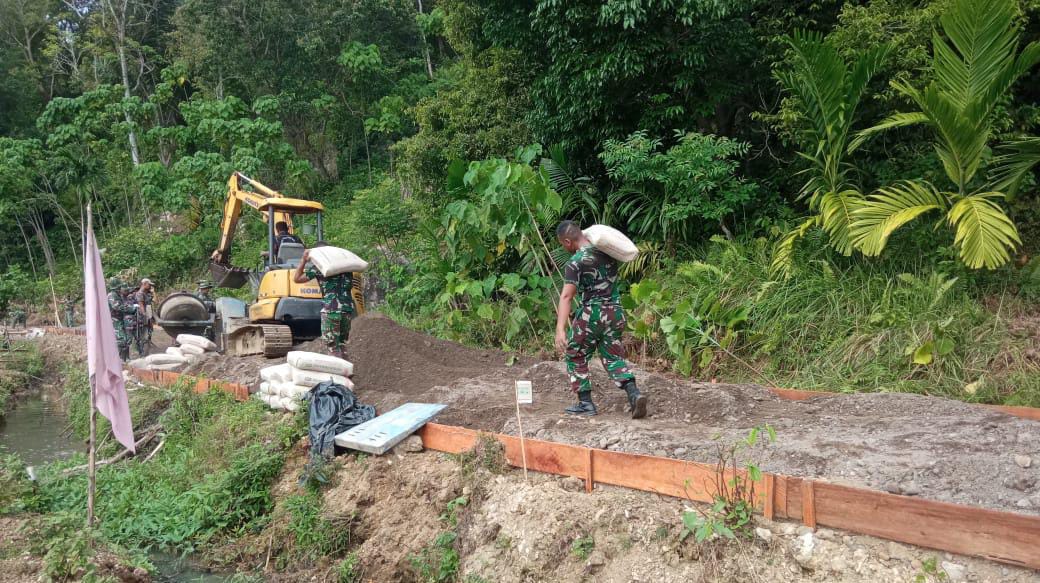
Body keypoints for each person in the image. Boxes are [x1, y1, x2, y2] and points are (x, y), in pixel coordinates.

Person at [554, 220, 647, 418]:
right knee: (613, 357)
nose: (565, 248)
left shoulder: (575, 262)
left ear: (568, 241)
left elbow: (567, 296)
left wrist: (560, 328)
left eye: (563, 244)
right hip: (615, 313)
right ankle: (634, 394)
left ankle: (586, 404)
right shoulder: (608, 255)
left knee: (575, 354)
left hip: (592, 314)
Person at [292, 242, 354, 358]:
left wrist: (303, 260)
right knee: (342, 345)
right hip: (347, 311)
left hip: (331, 311)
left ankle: (336, 374)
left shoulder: (319, 268)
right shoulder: (347, 268)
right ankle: (346, 373)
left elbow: (297, 278)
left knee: (333, 348)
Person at [107, 278, 137, 361]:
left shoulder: (117, 294)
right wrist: (131, 309)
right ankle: (119, 360)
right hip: (114, 320)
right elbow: (117, 306)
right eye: (119, 287)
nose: (121, 288)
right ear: (116, 287)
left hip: (120, 319)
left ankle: (125, 358)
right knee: (121, 339)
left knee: (126, 339)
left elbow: (122, 304)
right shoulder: (112, 295)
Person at [133, 278, 155, 354]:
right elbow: (141, 305)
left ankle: (145, 349)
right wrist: (145, 316)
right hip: (143, 316)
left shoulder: (146, 293)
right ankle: (141, 351)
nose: (150, 286)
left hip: (148, 315)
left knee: (148, 332)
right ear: (144, 284)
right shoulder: (140, 293)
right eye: (149, 284)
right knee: (143, 334)